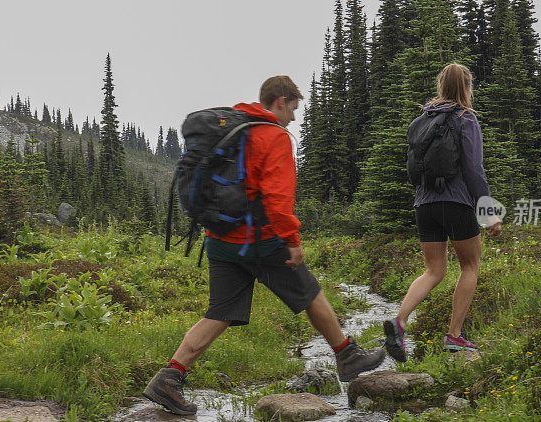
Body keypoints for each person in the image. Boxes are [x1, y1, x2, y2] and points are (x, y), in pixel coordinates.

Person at [144, 76, 386, 415]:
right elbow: (277, 199)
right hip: (259, 240)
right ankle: (347, 356)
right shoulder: (272, 136)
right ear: (281, 101)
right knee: (310, 292)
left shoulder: (239, 128)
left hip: (219, 240)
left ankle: (169, 378)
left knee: (220, 313)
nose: (294, 117)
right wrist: (293, 241)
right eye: (293, 109)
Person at [383, 63, 502, 363]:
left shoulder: (423, 119)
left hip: (424, 204)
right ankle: (455, 336)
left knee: (433, 271)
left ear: (441, 85)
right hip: (457, 202)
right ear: (467, 86)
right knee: (470, 266)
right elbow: (474, 170)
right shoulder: (465, 118)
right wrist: (489, 212)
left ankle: (399, 321)